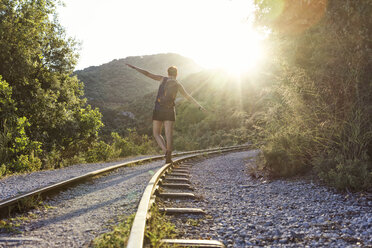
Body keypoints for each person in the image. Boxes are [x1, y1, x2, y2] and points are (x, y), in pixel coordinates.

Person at [126, 64, 206, 163]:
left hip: (158, 109)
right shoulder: (178, 84)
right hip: (170, 110)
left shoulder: (162, 79)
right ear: (177, 74)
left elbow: (147, 73)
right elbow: (188, 97)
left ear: (168, 73)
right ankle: (169, 153)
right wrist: (199, 106)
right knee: (169, 134)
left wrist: (135, 67)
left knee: (156, 133)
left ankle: (165, 151)